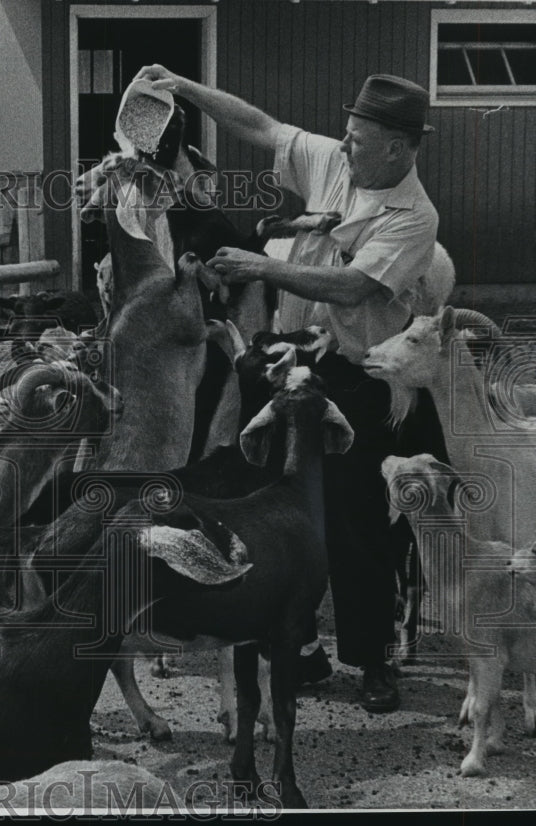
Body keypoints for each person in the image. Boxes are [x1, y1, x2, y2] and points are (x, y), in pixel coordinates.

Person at [134, 67, 448, 712]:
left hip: (360, 374)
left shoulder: (414, 216)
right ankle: (295, 645)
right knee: (265, 503)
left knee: (355, 519)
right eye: (347, 132)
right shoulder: (338, 161)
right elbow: (259, 124)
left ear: (397, 145)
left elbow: (355, 288)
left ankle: (371, 659)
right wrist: (184, 87)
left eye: (358, 138)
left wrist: (262, 265)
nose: (344, 145)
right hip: (286, 359)